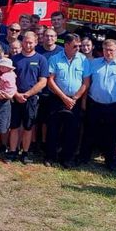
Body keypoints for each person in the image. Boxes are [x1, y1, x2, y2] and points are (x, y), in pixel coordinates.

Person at [79, 39, 116, 170]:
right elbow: (87, 84)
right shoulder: (94, 63)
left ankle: (110, 161)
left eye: (111, 50)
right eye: (105, 50)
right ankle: (83, 157)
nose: (108, 52)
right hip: (95, 104)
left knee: (112, 135)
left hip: (114, 106)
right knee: (89, 132)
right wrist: (84, 101)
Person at [46, 33, 90, 168]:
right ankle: (50, 157)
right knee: (53, 129)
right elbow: (50, 80)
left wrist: (75, 98)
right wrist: (63, 97)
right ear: (66, 45)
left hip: (74, 101)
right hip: (57, 99)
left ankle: (67, 158)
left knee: (72, 131)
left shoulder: (83, 60)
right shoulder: (55, 58)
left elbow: (86, 82)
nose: (78, 48)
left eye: (79, 46)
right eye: (75, 46)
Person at [8, 31, 49, 163]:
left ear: (36, 42)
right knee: (14, 126)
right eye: (25, 42)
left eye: (31, 42)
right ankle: (12, 152)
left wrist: (27, 94)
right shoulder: (14, 59)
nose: (28, 44)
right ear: (22, 42)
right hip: (15, 97)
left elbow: (43, 81)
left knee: (28, 127)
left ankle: (25, 153)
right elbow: (8, 80)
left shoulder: (41, 59)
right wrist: (16, 94)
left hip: (31, 99)